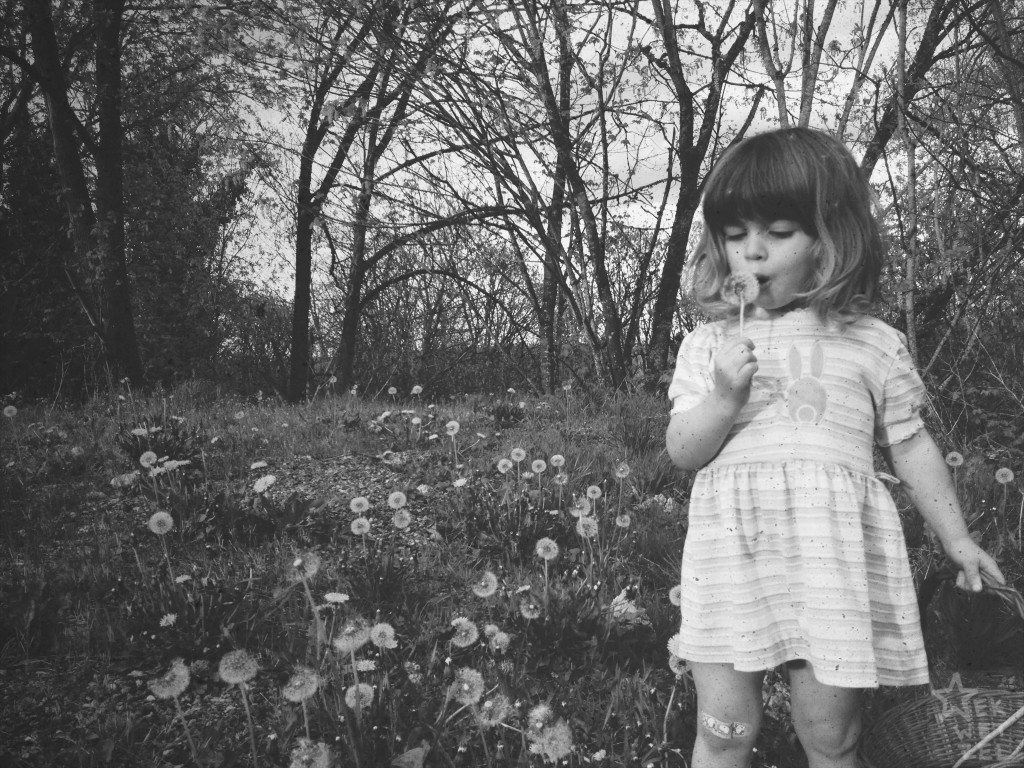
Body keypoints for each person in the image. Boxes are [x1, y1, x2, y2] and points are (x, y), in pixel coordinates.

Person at [664, 127, 1005, 768]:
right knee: (724, 731)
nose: (753, 254)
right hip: (733, 559)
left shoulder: (871, 341)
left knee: (832, 737)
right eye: (736, 237)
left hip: (832, 568)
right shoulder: (708, 345)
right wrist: (723, 401)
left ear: (829, 240)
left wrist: (956, 538)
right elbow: (683, 450)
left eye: (779, 232)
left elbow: (910, 446)